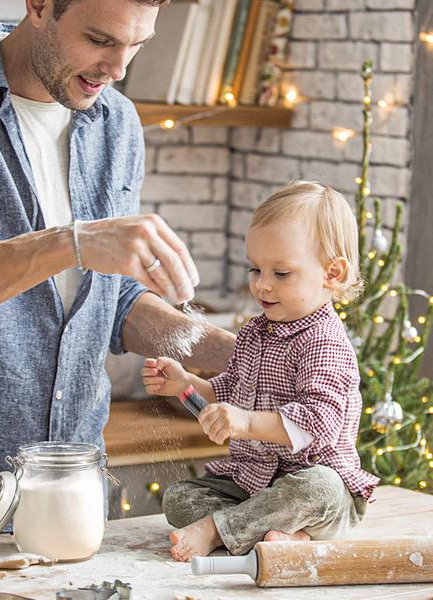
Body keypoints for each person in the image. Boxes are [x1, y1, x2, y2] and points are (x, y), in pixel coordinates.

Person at [0, 0, 236, 547]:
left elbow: (108, 301)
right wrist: (72, 243)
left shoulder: (117, 123)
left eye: (137, 46)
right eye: (101, 40)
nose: (119, 68)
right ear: (39, 6)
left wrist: (230, 352)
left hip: (78, 505)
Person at [142, 181, 380, 561]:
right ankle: (280, 535)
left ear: (332, 273)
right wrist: (187, 385)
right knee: (179, 499)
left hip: (313, 483)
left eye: (281, 273)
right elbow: (232, 390)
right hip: (253, 482)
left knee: (318, 489)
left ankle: (222, 529)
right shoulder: (255, 331)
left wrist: (247, 423)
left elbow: (318, 424)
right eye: (256, 269)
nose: (262, 285)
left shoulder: (325, 342)